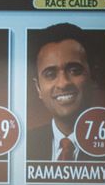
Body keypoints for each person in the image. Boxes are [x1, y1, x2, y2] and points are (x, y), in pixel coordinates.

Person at [26, 23, 96, 162]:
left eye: (74, 70)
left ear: (93, 77)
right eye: (50, 74)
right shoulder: (23, 145)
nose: (63, 83)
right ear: (38, 88)